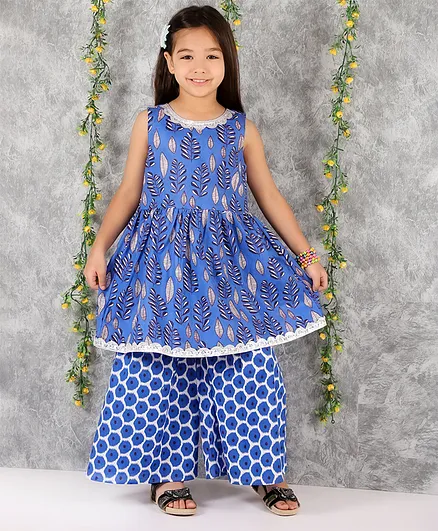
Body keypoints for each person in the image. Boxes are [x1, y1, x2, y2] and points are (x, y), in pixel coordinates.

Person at [84, 4, 328, 517]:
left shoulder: (241, 128)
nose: (200, 66)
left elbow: (269, 196)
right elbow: (128, 192)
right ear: (169, 62)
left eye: (212, 55)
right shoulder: (150, 123)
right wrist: (99, 246)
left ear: (228, 60)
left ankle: (264, 471)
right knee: (159, 368)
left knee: (249, 367)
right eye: (188, 56)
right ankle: (166, 475)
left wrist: (305, 254)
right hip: (161, 266)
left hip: (230, 266)